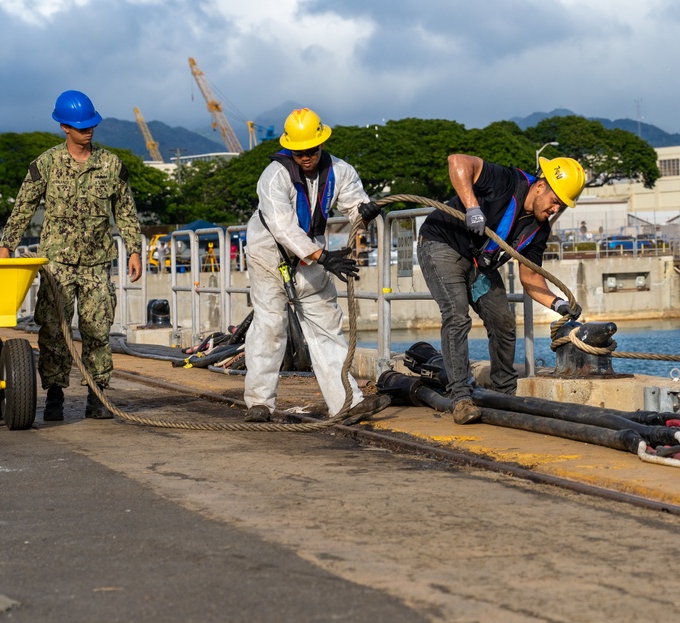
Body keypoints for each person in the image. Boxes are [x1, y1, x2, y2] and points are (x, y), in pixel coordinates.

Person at [0, 90, 143, 421]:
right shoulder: (45, 165)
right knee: (53, 333)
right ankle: (55, 394)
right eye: (80, 126)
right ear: (64, 127)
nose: (87, 131)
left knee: (97, 330)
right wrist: (7, 245)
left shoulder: (111, 165)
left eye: (91, 125)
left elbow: (127, 212)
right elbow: (23, 207)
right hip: (56, 266)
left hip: (97, 264)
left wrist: (134, 250)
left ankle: (97, 394)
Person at [414, 153, 586, 425]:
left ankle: (505, 392)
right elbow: (457, 161)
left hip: (478, 264)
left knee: (504, 322)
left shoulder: (538, 231)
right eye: (555, 202)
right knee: (456, 315)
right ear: (540, 186)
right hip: (441, 245)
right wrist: (472, 208)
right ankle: (460, 397)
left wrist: (557, 304)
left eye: (562, 207)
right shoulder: (507, 181)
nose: (556, 210)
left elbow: (530, 277)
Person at [242, 107, 389, 423]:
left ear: (321, 144)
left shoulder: (340, 171)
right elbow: (282, 227)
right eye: (299, 152)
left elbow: (353, 205)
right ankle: (259, 403)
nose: (306, 157)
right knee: (270, 325)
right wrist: (324, 257)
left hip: (310, 255)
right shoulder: (274, 177)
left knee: (327, 328)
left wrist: (365, 211)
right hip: (268, 254)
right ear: (290, 149)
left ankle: (345, 402)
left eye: (311, 150)